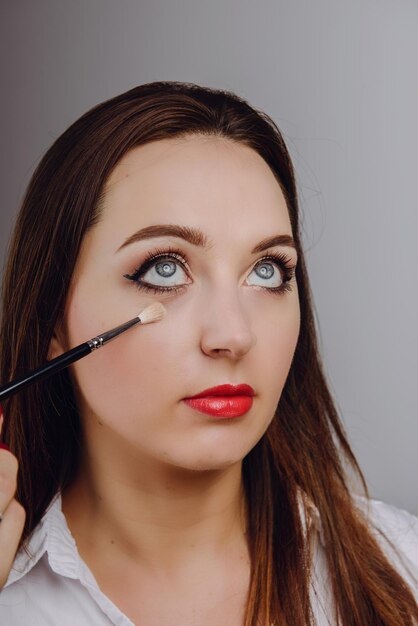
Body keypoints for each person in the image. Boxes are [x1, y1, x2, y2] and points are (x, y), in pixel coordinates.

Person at [0, 81, 417, 626]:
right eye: (164, 269)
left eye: (267, 271)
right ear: (54, 320)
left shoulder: (402, 567)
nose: (233, 336)